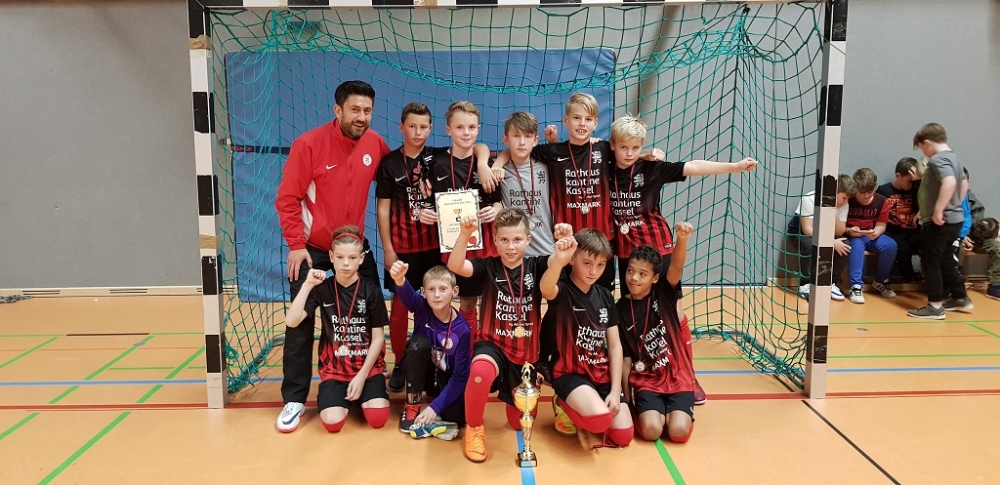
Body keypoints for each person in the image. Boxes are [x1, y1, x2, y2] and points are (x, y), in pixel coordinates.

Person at [274, 80, 390, 432]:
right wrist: (296, 244)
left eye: (367, 110)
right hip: (313, 251)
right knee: (300, 324)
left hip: (355, 251)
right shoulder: (308, 145)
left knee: (367, 320)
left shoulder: (375, 144)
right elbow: (287, 198)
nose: (361, 117)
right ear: (338, 110)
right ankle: (295, 398)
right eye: (354, 110)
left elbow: (394, 178)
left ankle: (366, 381)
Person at [376, 102, 489, 392]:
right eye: (412, 126)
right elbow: (383, 209)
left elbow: (477, 147)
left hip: (438, 247)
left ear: (432, 128)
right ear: (401, 127)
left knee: (438, 305)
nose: (418, 132)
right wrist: (388, 249)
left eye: (423, 127)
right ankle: (400, 363)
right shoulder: (389, 163)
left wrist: (484, 163)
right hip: (403, 247)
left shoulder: (437, 156)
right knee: (400, 305)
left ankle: (446, 359)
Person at [447, 207, 571, 463]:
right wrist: (465, 233)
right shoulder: (488, 266)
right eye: (504, 240)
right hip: (492, 344)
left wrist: (562, 251)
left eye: (517, 239)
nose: (511, 246)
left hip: (525, 353)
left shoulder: (537, 265)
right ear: (495, 240)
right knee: (479, 372)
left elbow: (557, 261)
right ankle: (474, 430)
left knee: (518, 422)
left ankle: (524, 394)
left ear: (528, 239)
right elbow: (455, 265)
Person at [282, 226, 390, 433]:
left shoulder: (371, 290)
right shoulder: (322, 288)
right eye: (340, 257)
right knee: (332, 423)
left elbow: (378, 339)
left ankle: (363, 393)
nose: (346, 263)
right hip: (335, 371)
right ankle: (342, 396)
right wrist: (307, 285)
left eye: (352, 258)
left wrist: (361, 377)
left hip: (367, 370)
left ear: (361, 259)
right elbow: (292, 321)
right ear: (331, 257)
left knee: (378, 419)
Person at [539, 228, 634, 448]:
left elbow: (615, 346)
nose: (593, 271)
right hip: (570, 373)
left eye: (600, 265)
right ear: (573, 259)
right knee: (599, 422)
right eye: (587, 263)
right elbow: (545, 288)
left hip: (600, 373)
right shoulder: (562, 291)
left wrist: (615, 391)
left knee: (624, 436)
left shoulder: (605, 296)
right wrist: (559, 260)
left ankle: (592, 403)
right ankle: (562, 402)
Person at [421, 101, 503, 337]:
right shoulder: (435, 164)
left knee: (491, 301)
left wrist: (496, 210)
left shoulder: (487, 164)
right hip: (455, 247)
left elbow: (498, 202)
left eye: (471, 127)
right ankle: (465, 348)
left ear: (478, 129)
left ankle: (488, 347)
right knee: (465, 301)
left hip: (486, 247)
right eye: (459, 127)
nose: (466, 133)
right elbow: (426, 203)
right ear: (448, 130)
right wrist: (423, 213)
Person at [617, 228, 697, 442]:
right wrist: (627, 401)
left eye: (642, 274)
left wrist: (682, 239)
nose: (633, 278)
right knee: (651, 431)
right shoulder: (620, 309)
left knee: (678, 431)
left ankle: (681, 413)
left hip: (677, 376)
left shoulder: (664, 293)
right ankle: (654, 413)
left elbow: (676, 266)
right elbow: (625, 360)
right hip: (647, 380)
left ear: (654, 278)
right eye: (630, 271)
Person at [388, 262, 470, 438]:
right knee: (419, 343)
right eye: (431, 290)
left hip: (443, 376)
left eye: (443, 289)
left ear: (454, 291)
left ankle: (433, 409)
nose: (437, 295)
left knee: (458, 417)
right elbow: (408, 296)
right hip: (420, 372)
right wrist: (399, 279)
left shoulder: (462, 330)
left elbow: (460, 376)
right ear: (424, 293)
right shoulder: (422, 307)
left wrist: (435, 407)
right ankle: (412, 405)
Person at [908, 123, 973, 319]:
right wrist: (953, 205)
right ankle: (960, 297)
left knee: (930, 261)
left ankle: (935, 306)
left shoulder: (938, 159)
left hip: (940, 222)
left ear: (927, 143)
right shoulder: (954, 157)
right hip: (954, 220)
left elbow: (950, 182)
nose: (923, 152)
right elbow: (964, 183)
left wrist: (938, 210)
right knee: (946, 259)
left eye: (922, 147)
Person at [495, 111, 555, 258]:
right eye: (516, 136)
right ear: (505, 139)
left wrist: (554, 141)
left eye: (527, 136)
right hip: (514, 254)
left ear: (535, 140)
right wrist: (496, 164)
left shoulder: (547, 167)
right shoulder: (498, 171)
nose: (522, 142)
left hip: (547, 251)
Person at [790, 174, 856, 300]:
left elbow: (840, 231)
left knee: (845, 244)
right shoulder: (810, 199)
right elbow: (807, 230)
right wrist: (831, 242)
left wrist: (833, 211)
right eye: (844, 198)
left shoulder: (844, 205)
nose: (845, 202)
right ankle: (805, 284)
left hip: (827, 234)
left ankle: (830, 283)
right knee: (810, 245)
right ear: (833, 192)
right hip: (801, 234)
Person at [844, 168, 899, 304]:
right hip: (853, 235)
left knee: (890, 246)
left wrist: (876, 232)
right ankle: (855, 285)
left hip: (871, 235)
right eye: (862, 192)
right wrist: (849, 230)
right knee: (856, 246)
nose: (866, 196)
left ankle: (880, 280)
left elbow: (881, 225)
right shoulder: (848, 199)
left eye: (870, 192)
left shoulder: (881, 201)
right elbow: (839, 225)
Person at [876, 157, 922, 282]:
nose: (911, 184)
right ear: (898, 176)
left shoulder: (916, 190)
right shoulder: (883, 191)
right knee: (903, 250)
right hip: (892, 233)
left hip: (913, 231)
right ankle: (910, 277)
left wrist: (918, 181)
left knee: (928, 245)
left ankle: (932, 277)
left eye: (914, 181)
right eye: (909, 181)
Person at [969, 218, 1000, 300]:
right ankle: (995, 286)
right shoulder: (986, 234)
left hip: (985, 239)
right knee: (999, 250)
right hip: (978, 242)